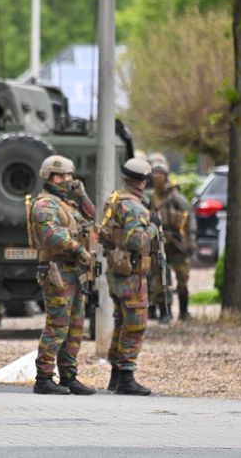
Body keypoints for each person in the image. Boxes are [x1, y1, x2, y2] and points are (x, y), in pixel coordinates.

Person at [27, 155, 97, 396]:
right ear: (50, 177)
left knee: (75, 326)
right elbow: (52, 235)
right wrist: (79, 249)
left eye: (69, 175)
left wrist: (82, 196)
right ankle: (44, 377)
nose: (68, 180)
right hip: (57, 270)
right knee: (57, 325)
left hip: (74, 271)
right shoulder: (45, 204)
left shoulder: (66, 203)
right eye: (62, 176)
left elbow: (92, 217)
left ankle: (69, 376)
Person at [99, 157, 159, 396]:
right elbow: (136, 240)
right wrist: (153, 227)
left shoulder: (114, 199)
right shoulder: (134, 206)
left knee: (121, 322)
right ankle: (126, 377)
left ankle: (116, 376)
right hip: (131, 274)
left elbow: (105, 234)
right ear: (143, 181)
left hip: (117, 271)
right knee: (135, 325)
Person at [150, 160, 195, 320]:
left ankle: (183, 311)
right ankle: (164, 311)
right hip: (158, 243)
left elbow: (189, 217)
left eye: (160, 174)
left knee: (182, 277)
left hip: (177, 243)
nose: (157, 177)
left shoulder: (175, 196)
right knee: (159, 278)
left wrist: (191, 241)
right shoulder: (150, 197)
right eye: (155, 173)